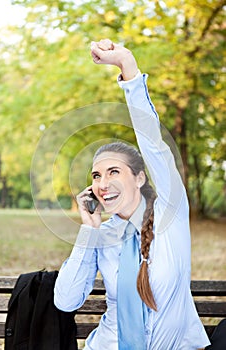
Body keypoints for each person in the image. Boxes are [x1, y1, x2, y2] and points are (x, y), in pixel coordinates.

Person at [54, 39, 211, 350]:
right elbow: (65, 301)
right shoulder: (105, 234)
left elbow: (153, 144)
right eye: (97, 175)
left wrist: (128, 67)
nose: (103, 182)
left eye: (115, 172)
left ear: (140, 177)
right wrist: (89, 231)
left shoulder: (170, 213)